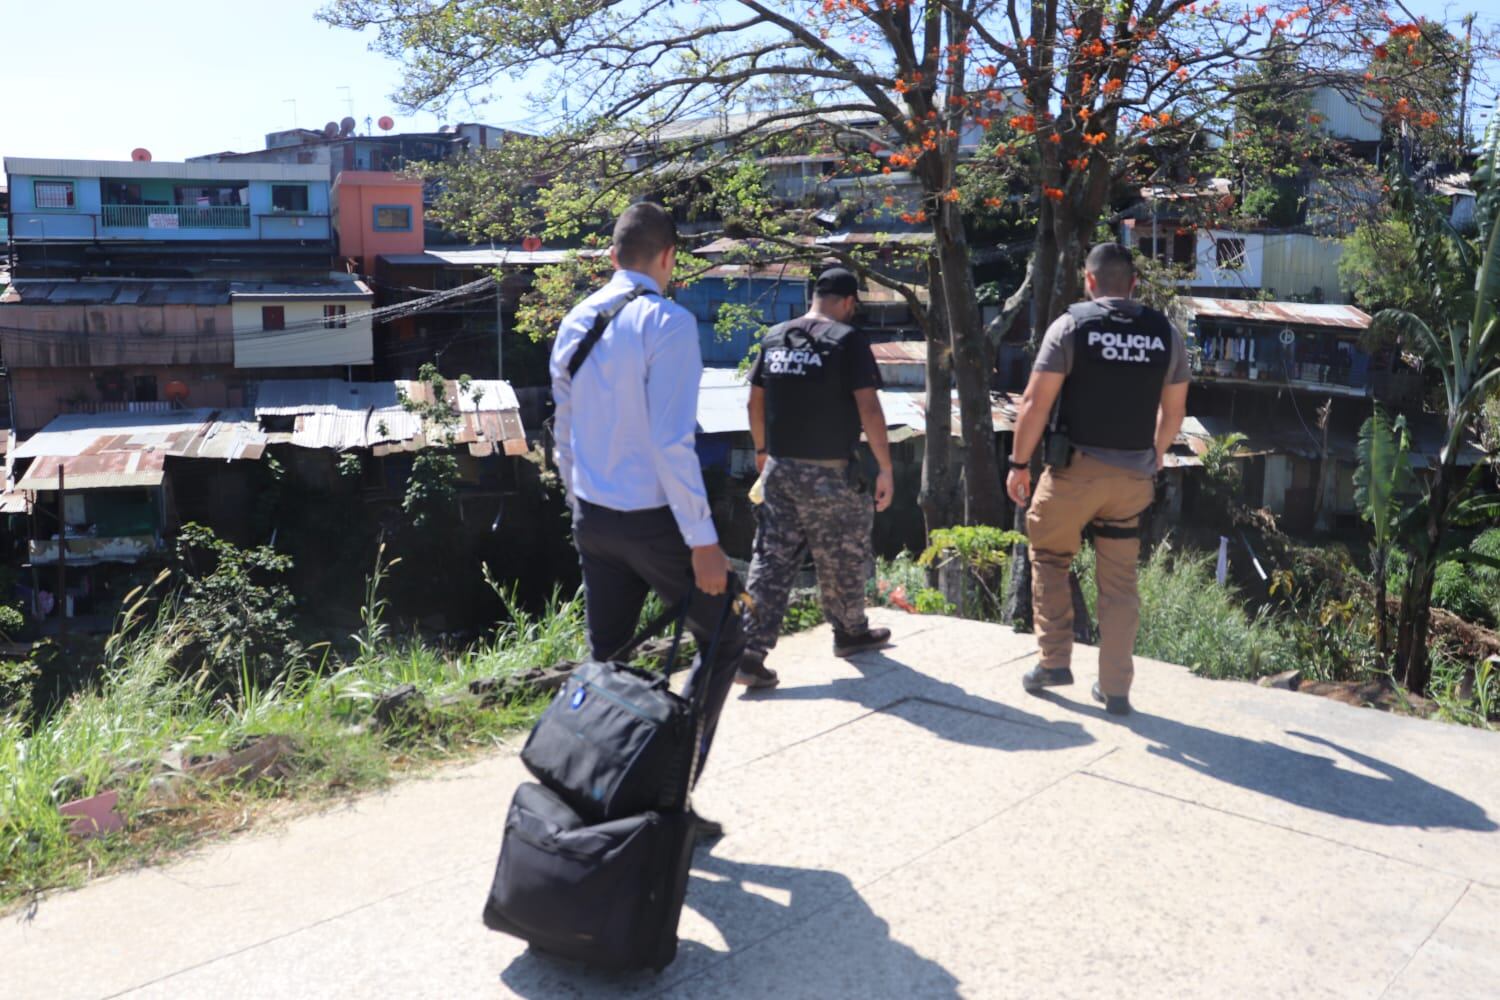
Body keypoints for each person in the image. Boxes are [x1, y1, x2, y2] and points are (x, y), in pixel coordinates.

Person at [549, 201, 744, 833]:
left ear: (613, 256)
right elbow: (670, 443)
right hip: (654, 523)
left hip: (593, 517)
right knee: (724, 636)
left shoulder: (577, 319)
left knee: (607, 663)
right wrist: (703, 541)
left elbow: (563, 431)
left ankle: (594, 795)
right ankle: (668, 796)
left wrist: (578, 502)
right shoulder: (669, 323)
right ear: (669, 258)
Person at [1005, 242, 1190, 716]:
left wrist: (1019, 464)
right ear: (1134, 284)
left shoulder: (1071, 326)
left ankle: (1053, 662)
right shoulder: (1165, 333)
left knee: (1050, 555)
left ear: (1089, 281)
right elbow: (1174, 412)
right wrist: (1155, 455)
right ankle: (1116, 689)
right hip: (1132, 479)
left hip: (1074, 474)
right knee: (1120, 584)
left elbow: (1035, 403)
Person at [738, 267, 896, 688]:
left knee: (770, 559)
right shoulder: (848, 341)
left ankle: (748, 652)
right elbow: (868, 408)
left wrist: (761, 450)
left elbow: (754, 402)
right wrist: (885, 467)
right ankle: (850, 632)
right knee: (843, 553)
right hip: (830, 473)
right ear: (847, 302)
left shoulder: (775, 337)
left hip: (779, 469)